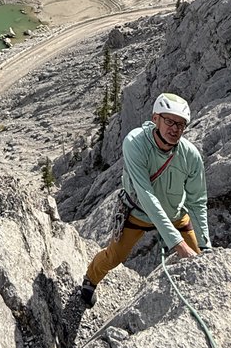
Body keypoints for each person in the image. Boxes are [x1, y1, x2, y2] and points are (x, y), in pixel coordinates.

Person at [80, 91, 211, 307]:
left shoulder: (190, 155)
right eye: (169, 121)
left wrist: (205, 246)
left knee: (198, 258)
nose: (175, 129)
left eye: (180, 124)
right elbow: (146, 194)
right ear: (155, 119)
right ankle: (90, 279)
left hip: (175, 214)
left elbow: (197, 201)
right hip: (138, 211)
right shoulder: (135, 143)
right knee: (114, 257)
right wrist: (178, 244)